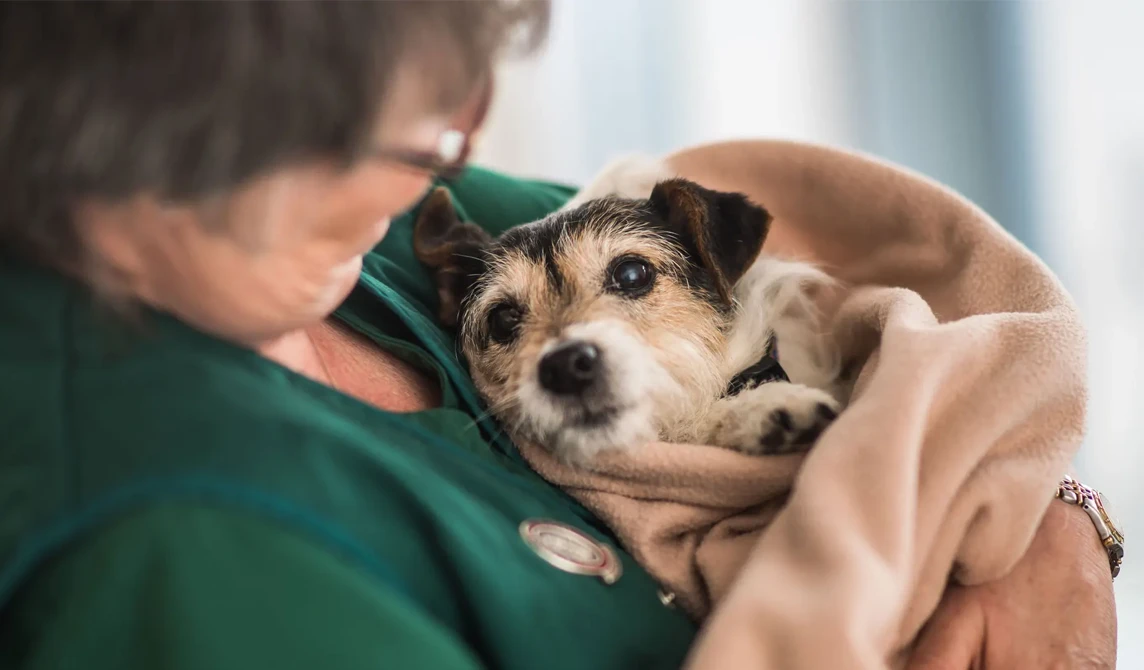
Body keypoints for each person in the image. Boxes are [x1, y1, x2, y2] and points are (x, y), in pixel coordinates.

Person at [0, 3, 1116, 669]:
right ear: (165, 133)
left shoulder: (348, 239)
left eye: (456, 109)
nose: (439, 164)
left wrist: (1050, 520)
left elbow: (843, 283)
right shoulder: (170, 540)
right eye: (393, 137)